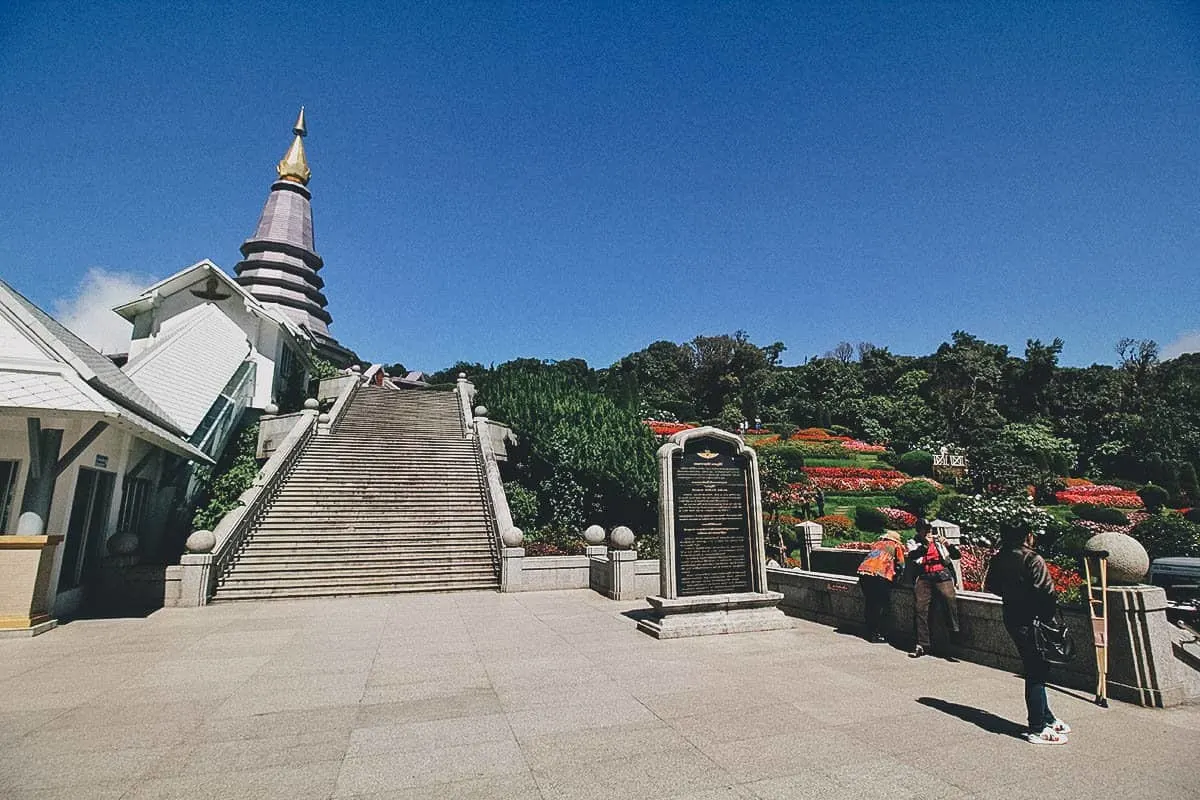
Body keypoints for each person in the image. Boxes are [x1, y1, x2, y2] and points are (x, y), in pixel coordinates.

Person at [985, 526, 1070, 745]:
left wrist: (1014, 594)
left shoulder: (999, 558)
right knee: (1036, 672)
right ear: (1026, 536)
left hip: (1012, 617)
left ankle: (1047, 717)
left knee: (1036, 667)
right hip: (1034, 621)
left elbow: (992, 586)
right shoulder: (1032, 558)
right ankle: (1037, 727)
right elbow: (1046, 592)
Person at [907, 519, 961, 658]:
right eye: (925, 530)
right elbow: (914, 557)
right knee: (920, 607)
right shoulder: (913, 543)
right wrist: (925, 545)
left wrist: (947, 544)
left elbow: (956, 556)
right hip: (924, 574)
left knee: (949, 598)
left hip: (941, 573)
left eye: (929, 529)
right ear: (919, 531)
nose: (928, 532)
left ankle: (954, 632)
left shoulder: (938, 542)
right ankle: (922, 643)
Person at [856, 530, 906, 642]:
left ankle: (869, 631)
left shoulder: (878, 544)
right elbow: (901, 564)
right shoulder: (896, 545)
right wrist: (897, 578)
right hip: (879, 574)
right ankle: (877, 634)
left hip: (864, 573)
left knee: (870, 603)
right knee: (882, 604)